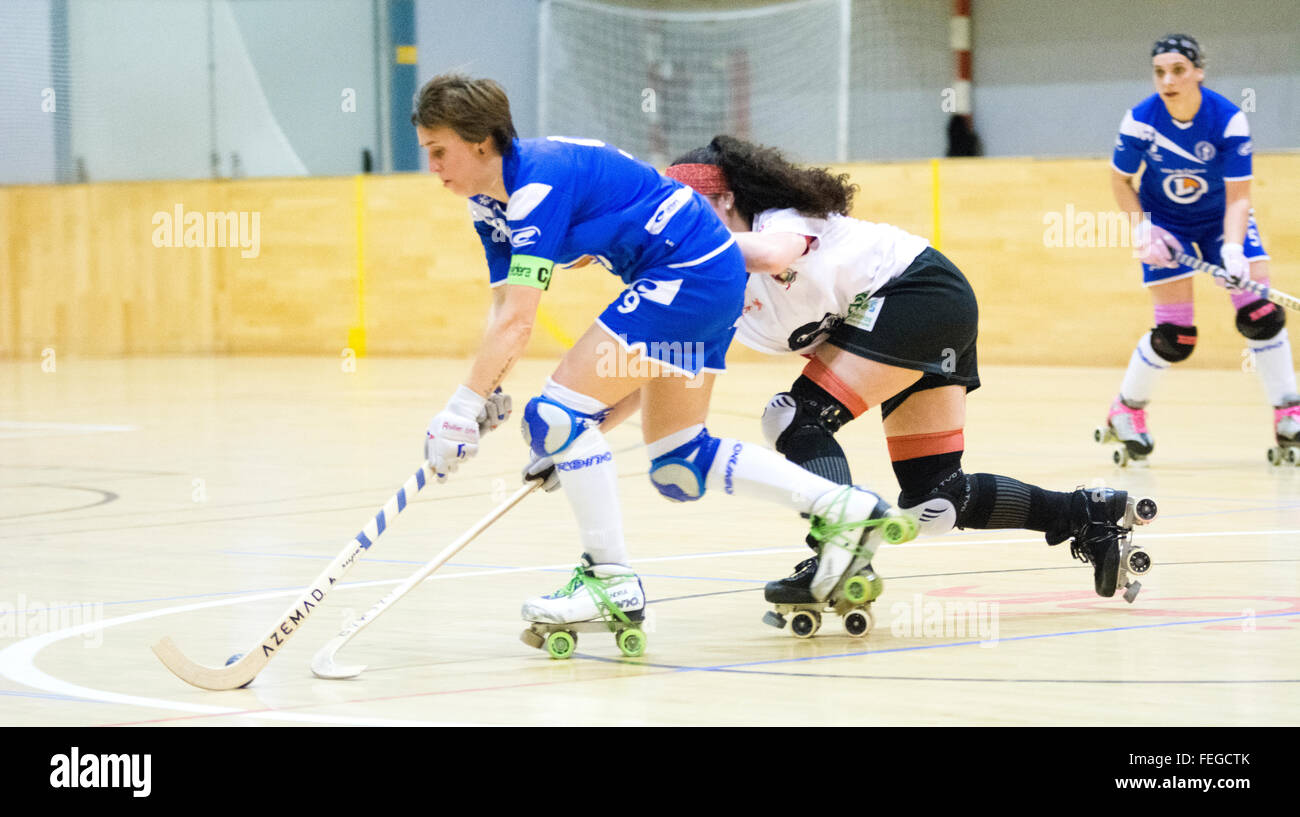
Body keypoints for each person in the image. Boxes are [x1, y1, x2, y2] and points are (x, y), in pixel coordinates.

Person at [412, 74, 916, 655]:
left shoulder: (536, 184)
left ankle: (609, 583)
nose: (433, 166)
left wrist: (461, 407)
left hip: (686, 274)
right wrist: (492, 396)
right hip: (703, 278)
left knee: (554, 416)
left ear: (479, 143)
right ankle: (846, 508)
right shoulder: (489, 201)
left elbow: (520, 322)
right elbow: (503, 302)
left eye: (438, 150)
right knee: (678, 457)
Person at [664, 136, 1157, 604]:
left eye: (688, 213)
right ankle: (1089, 514)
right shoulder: (721, 282)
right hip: (909, 320)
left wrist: (676, 256)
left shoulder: (778, 219)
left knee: (795, 417)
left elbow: (773, 255)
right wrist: (590, 414)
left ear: (726, 198)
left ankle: (839, 551)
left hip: (918, 295)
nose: (678, 232)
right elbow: (665, 360)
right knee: (937, 499)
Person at [1103, 33, 1298, 465]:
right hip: (1165, 222)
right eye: (1159, 72)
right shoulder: (1140, 119)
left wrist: (1231, 249)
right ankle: (1126, 412)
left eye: (1177, 70)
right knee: (1176, 336)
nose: (1167, 80)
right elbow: (1120, 181)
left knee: (1260, 313)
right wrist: (1144, 230)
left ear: (1198, 72)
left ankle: (1289, 412)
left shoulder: (1227, 119)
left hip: (1219, 218)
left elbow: (1239, 195)